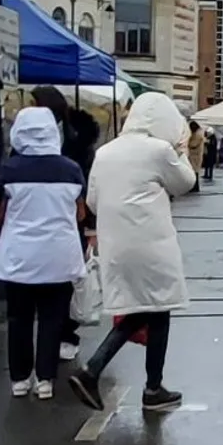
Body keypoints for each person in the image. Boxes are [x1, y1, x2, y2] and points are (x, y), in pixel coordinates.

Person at [68, 92, 198, 412]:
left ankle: (153, 386)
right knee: (154, 305)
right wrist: (181, 153)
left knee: (151, 308)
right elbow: (186, 183)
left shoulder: (106, 152)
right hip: (150, 242)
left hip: (116, 242)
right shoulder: (159, 150)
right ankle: (97, 371)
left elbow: (94, 201)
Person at [0, 107, 87, 400]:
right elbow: (80, 214)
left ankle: (19, 379)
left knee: (19, 318)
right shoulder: (72, 169)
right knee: (53, 320)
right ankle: (45, 380)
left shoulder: (9, 170)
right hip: (59, 257)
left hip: (19, 258)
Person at [29, 86, 100, 361]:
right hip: (40, 218)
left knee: (67, 281)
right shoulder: (27, 138)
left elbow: (89, 187)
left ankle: (66, 333)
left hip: (72, 221)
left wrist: (91, 228)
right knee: (45, 281)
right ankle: (51, 336)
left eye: (34, 103)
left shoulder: (78, 142)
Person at [188, 120, 204, 192]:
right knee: (195, 171)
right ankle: (194, 187)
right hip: (196, 155)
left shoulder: (197, 135)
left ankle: (194, 187)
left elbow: (193, 145)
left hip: (195, 156)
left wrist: (188, 143)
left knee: (194, 171)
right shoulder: (199, 133)